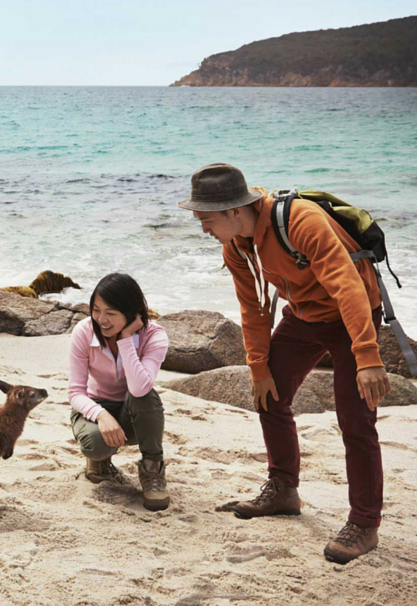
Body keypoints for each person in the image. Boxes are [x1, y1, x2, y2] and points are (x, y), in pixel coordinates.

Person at [178, 163, 390, 564]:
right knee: (269, 394)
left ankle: (365, 523)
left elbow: (347, 286)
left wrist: (367, 356)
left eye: (206, 220)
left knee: (355, 420)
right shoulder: (237, 244)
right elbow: (253, 306)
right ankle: (283, 490)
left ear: (234, 211)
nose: (202, 228)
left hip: (351, 316)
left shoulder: (301, 221)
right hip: (303, 315)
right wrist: (258, 368)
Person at [67, 273, 171, 511]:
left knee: (145, 394)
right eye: (96, 310)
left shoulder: (154, 335)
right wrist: (102, 416)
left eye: (111, 313)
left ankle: (153, 470)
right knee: (96, 443)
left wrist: (125, 340)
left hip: (134, 413)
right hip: (93, 411)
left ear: (132, 312)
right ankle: (99, 463)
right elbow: (75, 392)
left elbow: (139, 388)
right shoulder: (84, 332)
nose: (101, 319)